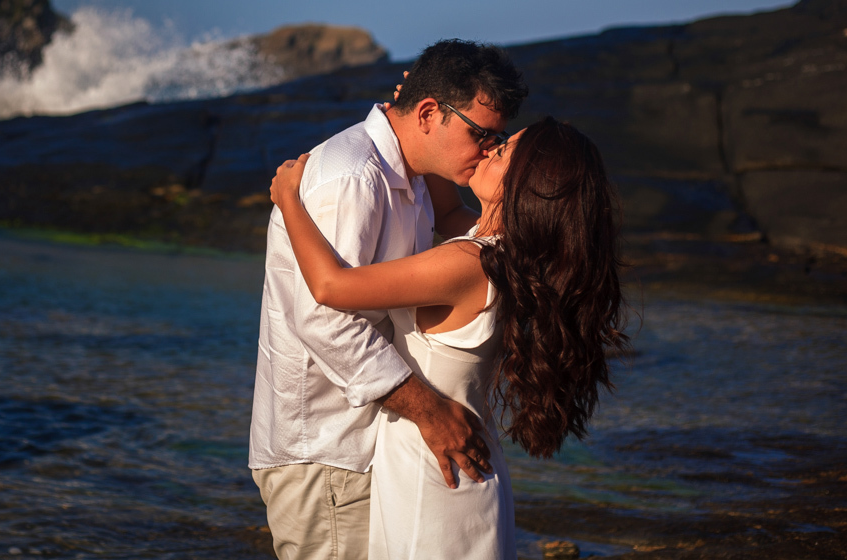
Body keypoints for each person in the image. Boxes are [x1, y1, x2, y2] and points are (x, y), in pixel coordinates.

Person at [268, 116, 630, 560]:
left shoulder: (468, 262)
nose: (489, 148)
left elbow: (330, 288)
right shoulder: (508, 252)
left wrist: (289, 200)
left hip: (436, 475)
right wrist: (425, 113)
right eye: (493, 139)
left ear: (527, 186)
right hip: (457, 461)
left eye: (503, 150)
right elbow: (445, 207)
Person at [248, 40, 528, 560]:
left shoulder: (414, 173)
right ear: (428, 114)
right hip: (330, 450)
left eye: (498, 139)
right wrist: (431, 412)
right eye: (480, 134)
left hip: (368, 444)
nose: (488, 149)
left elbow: (463, 228)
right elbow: (324, 319)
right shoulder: (352, 177)